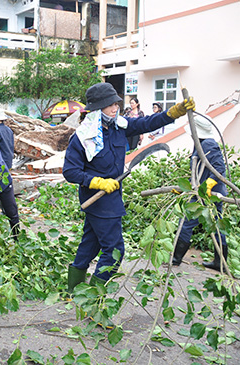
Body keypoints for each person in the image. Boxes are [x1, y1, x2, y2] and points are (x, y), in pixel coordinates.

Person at [63, 83, 195, 292]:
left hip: (112, 200)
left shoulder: (120, 126)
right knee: (115, 251)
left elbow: (146, 123)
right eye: (110, 105)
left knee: (91, 243)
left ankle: (73, 290)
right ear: (97, 108)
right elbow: (70, 171)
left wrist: (172, 114)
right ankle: (93, 300)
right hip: (98, 201)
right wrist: (98, 181)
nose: (115, 108)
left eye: (116, 103)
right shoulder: (83, 137)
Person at [172, 114, 228, 271]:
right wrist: (185, 189)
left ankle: (175, 259)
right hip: (202, 192)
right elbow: (199, 172)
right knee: (216, 225)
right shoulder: (200, 144)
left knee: (186, 222)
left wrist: (208, 186)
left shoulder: (208, 144)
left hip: (207, 194)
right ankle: (220, 263)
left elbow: (219, 169)